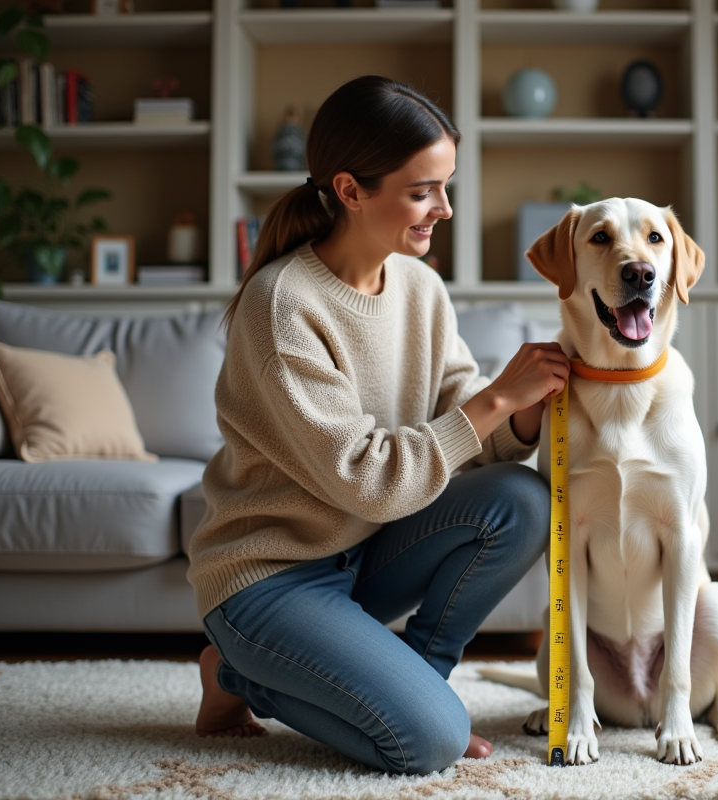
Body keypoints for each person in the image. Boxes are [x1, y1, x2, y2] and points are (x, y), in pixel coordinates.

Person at [187, 75, 570, 776]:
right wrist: (491, 401)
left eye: (446, 186)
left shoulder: (420, 286)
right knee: (425, 745)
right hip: (270, 577)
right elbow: (367, 480)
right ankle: (236, 672)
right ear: (351, 190)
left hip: (363, 553)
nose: (444, 209)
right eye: (423, 190)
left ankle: (419, 681)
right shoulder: (282, 307)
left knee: (521, 501)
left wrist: (523, 410)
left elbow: (463, 425)